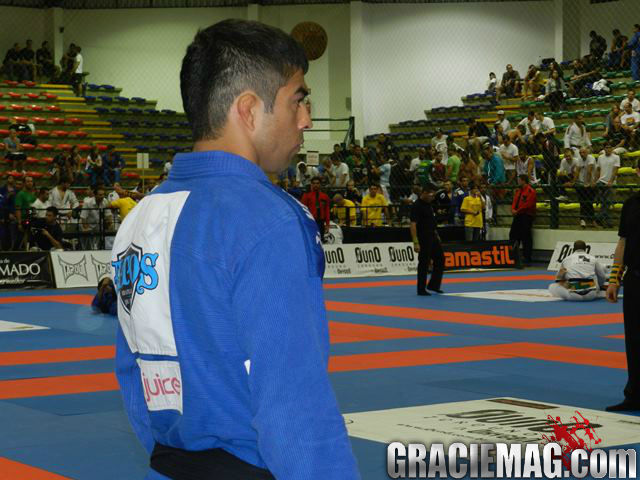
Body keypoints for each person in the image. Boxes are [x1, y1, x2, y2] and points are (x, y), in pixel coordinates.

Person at [111, 19, 359, 480]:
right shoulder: (270, 221)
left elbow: (134, 374)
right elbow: (292, 402)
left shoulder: (139, 218)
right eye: (298, 99)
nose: (305, 119)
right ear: (248, 110)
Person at [606, 158, 640, 411]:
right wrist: (614, 279)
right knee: (634, 338)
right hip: (635, 279)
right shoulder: (631, 204)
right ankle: (634, 394)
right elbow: (622, 243)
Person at [410, 184, 445, 296]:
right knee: (424, 263)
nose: (433, 197)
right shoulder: (417, 206)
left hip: (433, 236)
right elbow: (413, 224)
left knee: (440, 259)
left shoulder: (429, 204)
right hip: (423, 238)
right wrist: (415, 242)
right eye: (431, 195)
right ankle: (421, 289)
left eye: (434, 195)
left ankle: (433, 285)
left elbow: (431, 222)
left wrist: (437, 235)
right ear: (424, 192)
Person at [510, 174, 536, 265]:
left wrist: (517, 211)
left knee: (526, 237)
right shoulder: (518, 190)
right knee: (513, 235)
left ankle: (527, 257)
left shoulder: (530, 191)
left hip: (526, 216)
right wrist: (513, 209)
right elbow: (514, 201)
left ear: (523, 181)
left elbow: (528, 204)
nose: (518, 182)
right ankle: (514, 255)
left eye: (519, 180)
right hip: (517, 215)